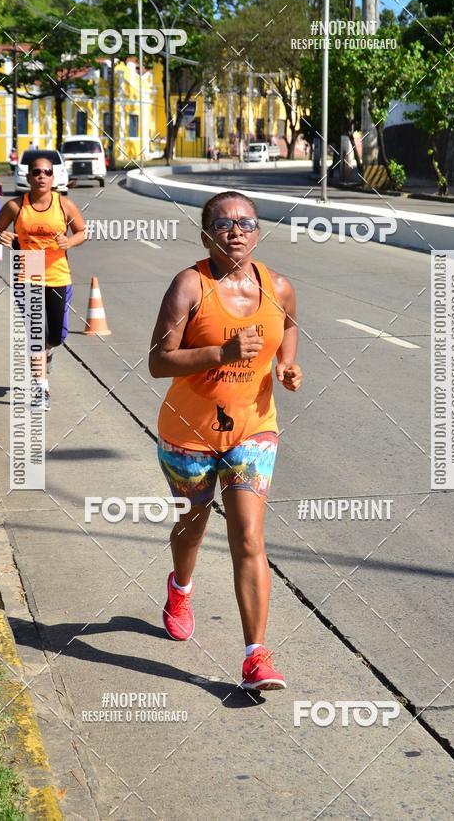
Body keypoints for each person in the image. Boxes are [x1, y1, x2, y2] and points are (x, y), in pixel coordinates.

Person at [149, 190, 303, 690]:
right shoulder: (189, 286)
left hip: (253, 431)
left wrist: (285, 365)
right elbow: (157, 361)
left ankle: (256, 657)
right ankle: (181, 587)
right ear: (205, 234)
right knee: (192, 528)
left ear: (258, 232)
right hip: (188, 435)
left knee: (249, 538)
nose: (235, 230)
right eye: (223, 223)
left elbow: (290, 328)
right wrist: (222, 351)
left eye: (246, 222)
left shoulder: (278, 286)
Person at [0, 154, 86, 411]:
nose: (41, 176)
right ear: (28, 176)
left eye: (46, 172)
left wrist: (70, 241)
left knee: (56, 335)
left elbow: (82, 231)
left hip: (57, 273)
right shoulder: (15, 206)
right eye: (36, 172)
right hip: (28, 272)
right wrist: (1, 236)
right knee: (34, 334)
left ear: (53, 178)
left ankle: (48, 350)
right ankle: (41, 389)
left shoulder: (64, 205)